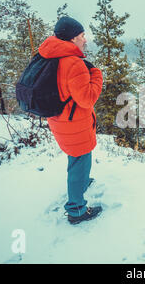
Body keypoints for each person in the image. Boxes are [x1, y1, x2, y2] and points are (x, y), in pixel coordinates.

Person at [38, 16, 103, 225]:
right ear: (73, 38)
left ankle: (82, 182)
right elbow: (87, 98)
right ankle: (76, 210)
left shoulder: (50, 55)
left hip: (61, 121)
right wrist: (96, 74)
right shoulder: (73, 63)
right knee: (79, 161)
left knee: (76, 158)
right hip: (74, 123)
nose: (85, 40)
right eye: (83, 36)